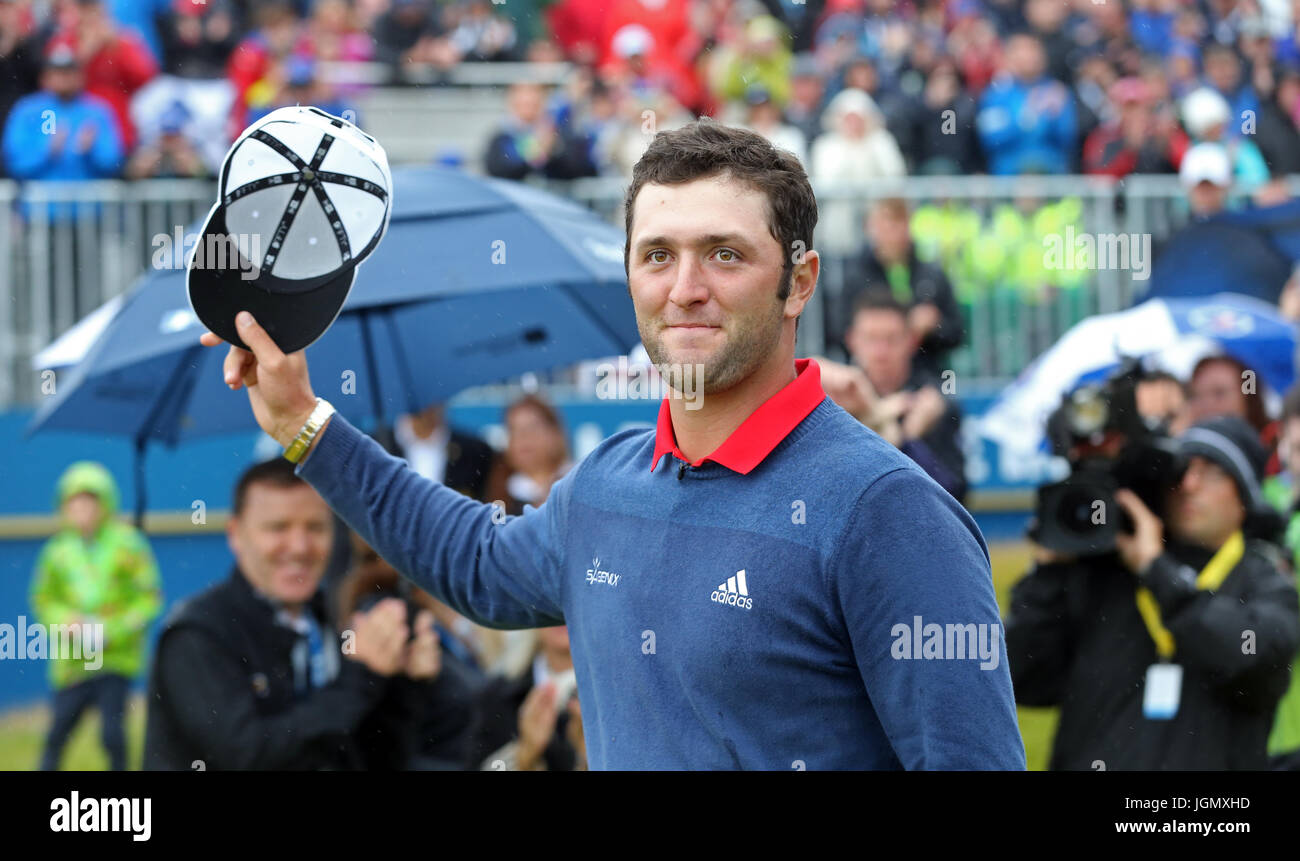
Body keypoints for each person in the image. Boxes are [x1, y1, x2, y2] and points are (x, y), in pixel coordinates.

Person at [201, 120, 1025, 770]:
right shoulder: (606, 482)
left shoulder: (888, 509)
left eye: (725, 254)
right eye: (657, 256)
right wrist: (304, 422)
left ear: (798, 281)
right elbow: (473, 563)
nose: (685, 288)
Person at [1005, 415, 1299, 769]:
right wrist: (1050, 571)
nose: (1189, 485)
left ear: (1245, 498)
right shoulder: (1109, 571)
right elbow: (1023, 678)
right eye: (1182, 471)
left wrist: (1158, 573)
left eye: (1212, 473)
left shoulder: (1265, 582)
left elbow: (1251, 664)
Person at [143, 459, 439, 770]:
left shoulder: (330, 619)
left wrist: (403, 681)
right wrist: (362, 676)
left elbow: (370, 757)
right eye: (278, 528)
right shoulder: (197, 634)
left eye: (315, 527)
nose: (299, 547)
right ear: (235, 534)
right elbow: (246, 756)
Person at [31, 461, 163, 771]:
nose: (81, 513)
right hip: (72, 664)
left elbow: (148, 598)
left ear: (105, 505)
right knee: (58, 731)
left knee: (112, 734)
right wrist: (65, 622)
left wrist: (111, 630)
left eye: (89, 505)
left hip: (115, 659)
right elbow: (43, 599)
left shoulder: (128, 545)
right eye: (73, 505)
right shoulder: (57, 552)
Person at [830, 292, 968, 504]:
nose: (881, 352)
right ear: (851, 340)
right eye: (871, 339)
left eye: (891, 339)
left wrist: (909, 440)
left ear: (912, 340)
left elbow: (953, 496)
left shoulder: (935, 403)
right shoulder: (836, 400)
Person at [837, 197, 964, 378]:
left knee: (943, 403)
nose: (891, 234)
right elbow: (840, 331)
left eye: (897, 224)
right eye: (884, 225)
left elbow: (957, 333)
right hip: (871, 378)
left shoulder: (933, 274)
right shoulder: (856, 276)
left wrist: (934, 326)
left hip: (925, 374)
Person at [464, 625, 585, 770]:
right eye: (551, 603)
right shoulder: (497, 695)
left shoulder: (617, 696)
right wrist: (525, 755)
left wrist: (589, 757)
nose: (561, 616)